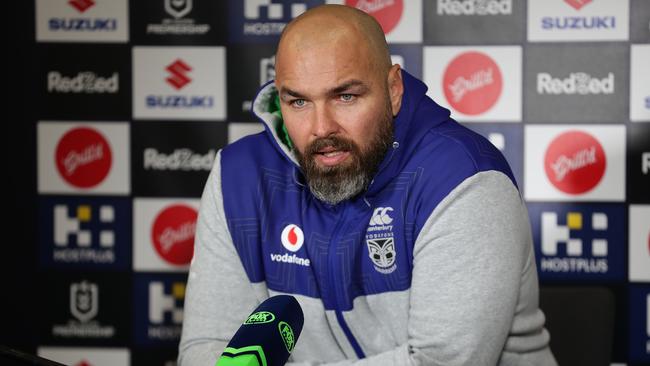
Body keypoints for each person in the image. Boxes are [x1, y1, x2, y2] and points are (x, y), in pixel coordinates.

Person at [178, 5, 557, 365]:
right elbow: (206, 347)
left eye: (345, 96)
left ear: (393, 89)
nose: (322, 127)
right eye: (298, 102)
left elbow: (440, 362)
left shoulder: (462, 178)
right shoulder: (239, 176)